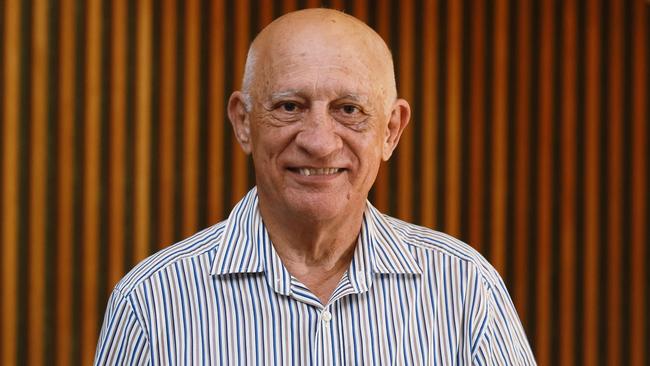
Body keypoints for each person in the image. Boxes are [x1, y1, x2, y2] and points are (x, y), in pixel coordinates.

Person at [95, 8, 535, 365]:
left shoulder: (464, 289)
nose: (320, 142)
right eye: (290, 106)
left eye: (348, 109)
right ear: (243, 122)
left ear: (391, 131)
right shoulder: (152, 302)